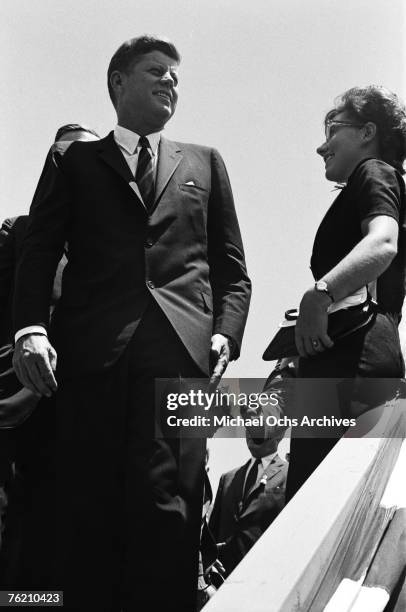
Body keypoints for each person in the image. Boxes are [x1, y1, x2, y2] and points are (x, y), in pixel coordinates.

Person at [12, 36, 251, 612]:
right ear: (117, 82)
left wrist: (226, 332)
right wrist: (30, 330)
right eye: (155, 70)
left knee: (171, 511)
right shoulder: (72, 159)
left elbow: (233, 269)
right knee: (87, 510)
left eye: (176, 74)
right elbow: (40, 248)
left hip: (181, 361)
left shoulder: (205, 162)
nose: (170, 81)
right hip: (91, 361)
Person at [286, 86, 406, 501]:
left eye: (333, 128)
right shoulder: (372, 180)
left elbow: (382, 244)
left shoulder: (374, 172)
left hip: (356, 358)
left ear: (367, 131)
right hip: (351, 355)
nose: (322, 146)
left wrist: (319, 295)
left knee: (323, 509)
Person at [0, 124, 100, 584]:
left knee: (61, 537)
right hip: (14, 403)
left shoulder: (112, 252)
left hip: (81, 411)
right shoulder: (18, 232)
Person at [209, 428, 288, 577]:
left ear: (280, 433)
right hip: (221, 580)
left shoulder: (290, 474)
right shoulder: (227, 478)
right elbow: (212, 533)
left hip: (265, 578)